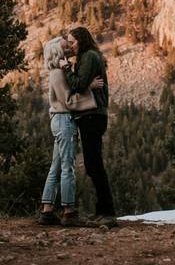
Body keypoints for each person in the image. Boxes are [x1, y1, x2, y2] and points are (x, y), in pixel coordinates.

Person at [38, 37, 103, 226]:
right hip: (63, 120)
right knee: (68, 166)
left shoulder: (56, 72)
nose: (67, 47)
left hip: (58, 121)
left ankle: (47, 210)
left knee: (56, 166)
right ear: (57, 51)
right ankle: (69, 211)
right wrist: (89, 90)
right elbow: (68, 102)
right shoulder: (57, 73)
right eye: (63, 46)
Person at [59, 26, 116, 226]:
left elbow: (77, 85)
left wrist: (66, 68)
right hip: (91, 116)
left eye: (73, 42)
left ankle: (108, 211)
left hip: (92, 116)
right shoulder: (87, 57)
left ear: (82, 41)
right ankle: (103, 210)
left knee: (94, 164)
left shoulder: (89, 57)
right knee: (93, 164)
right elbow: (84, 84)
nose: (71, 45)